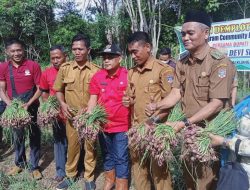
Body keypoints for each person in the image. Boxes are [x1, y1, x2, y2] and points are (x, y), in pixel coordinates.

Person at [145, 10, 236, 190]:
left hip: (209, 134)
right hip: (188, 131)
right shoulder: (182, 62)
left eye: (190, 33)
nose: (185, 37)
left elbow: (217, 103)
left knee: (205, 182)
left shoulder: (220, 62)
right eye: (183, 33)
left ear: (206, 33)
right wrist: (157, 107)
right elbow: (176, 93)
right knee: (189, 178)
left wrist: (184, 123)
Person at [122, 31, 174, 190]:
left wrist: (153, 122)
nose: (133, 56)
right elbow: (131, 97)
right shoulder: (131, 72)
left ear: (148, 47)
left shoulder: (163, 70)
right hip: (137, 130)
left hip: (156, 131)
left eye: (135, 51)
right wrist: (128, 100)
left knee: (160, 173)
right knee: (139, 170)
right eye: (130, 52)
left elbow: (170, 103)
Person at [54, 33, 100, 190]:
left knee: (90, 147)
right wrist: (63, 104)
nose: (77, 52)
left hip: (90, 118)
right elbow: (58, 90)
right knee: (72, 147)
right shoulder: (65, 69)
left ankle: (89, 177)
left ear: (88, 49)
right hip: (71, 117)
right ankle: (71, 175)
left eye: (80, 49)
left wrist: (92, 109)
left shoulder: (97, 71)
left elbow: (101, 94)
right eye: (74, 49)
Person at [87, 44, 130, 190]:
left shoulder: (128, 75)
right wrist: (89, 116)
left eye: (110, 57)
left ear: (120, 58)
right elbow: (93, 98)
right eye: (104, 57)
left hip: (122, 125)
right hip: (103, 125)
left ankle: (121, 185)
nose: (106, 60)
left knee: (121, 156)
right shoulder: (97, 77)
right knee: (107, 154)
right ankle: (109, 180)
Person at [0, 38, 42, 179]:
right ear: (7, 52)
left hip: (31, 106)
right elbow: (1, 89)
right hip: (15, 108)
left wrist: (29, 103)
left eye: (19, 50)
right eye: (13, 51)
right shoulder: (4, 67)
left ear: (23, 50)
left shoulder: (33, 65)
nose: (16, 53)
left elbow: (39, 88)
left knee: (34, 135)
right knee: (17, 136)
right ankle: (19, 163)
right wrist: (9, 104)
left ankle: (34, 166)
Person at [39, 45, 68, 182]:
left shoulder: (72, 70)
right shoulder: (47, 73)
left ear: (65, 56)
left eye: (58, 57)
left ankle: (78, 168)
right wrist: (49, 107)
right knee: (59, 142)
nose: (56, 60)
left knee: (77, 142)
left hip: (73, 114)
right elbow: (44, 92)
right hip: (57, 115)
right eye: (53, 58)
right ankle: (61, 171)